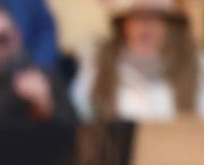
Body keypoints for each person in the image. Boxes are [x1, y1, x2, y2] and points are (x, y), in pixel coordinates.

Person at [72, 0, 204, 122]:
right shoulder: (97, 63)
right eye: (140, 18)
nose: (148, 26)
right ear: (124, 24)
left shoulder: (195, 66)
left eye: (157, 19)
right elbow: (82, 112)